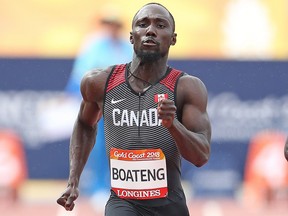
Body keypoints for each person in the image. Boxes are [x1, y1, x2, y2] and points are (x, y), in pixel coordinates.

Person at [57, 2, 211, 216]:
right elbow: (84, 123)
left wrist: (172, 125)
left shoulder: (187, 87)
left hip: (170, 205)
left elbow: (201, 156)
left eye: (160, 25)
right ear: (132, 37)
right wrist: (74, 179)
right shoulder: (98, 81)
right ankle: (100, 188)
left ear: (173, 38)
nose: (150, 30)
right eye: (143, 24)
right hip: (122, 203)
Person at [65, 7, 132, 214]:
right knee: (98, 144)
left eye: (114, 24)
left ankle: (121, 186)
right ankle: (98, 188)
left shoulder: (127, 47)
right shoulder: (94, 45)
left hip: (123, 104)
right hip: (98, 103)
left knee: (123, 146)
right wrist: (77, 95)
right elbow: (80, 75)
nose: (111, 29)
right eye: (107, 24)